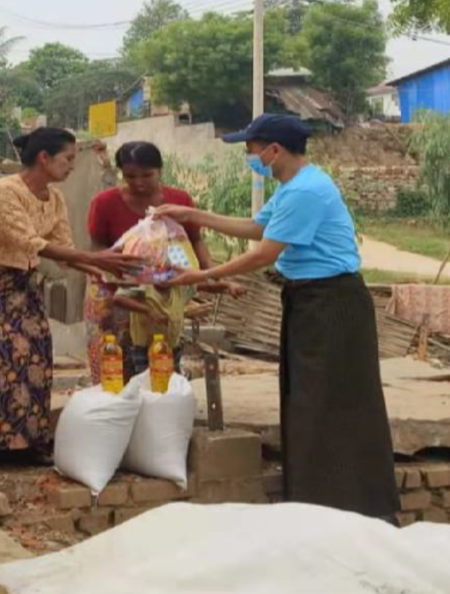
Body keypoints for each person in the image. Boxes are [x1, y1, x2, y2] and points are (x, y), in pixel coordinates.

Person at [156, 114, 400, 522]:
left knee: (333, 402)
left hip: (332, 304)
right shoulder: (292, 187)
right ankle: (314, 497)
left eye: (251, 150)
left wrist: (201, 276)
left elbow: (263, 255)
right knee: (307, 400)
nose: (249, 158)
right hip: (309, 300)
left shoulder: (307, 190)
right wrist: (193, 215)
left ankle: (353, 503)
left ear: (273, 150)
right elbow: (256, 228)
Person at [0, 128, 142, 475]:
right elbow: (30, 242)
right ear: (44, 158)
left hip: (19, 283)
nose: (72, 166)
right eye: (68, 158)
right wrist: (96, 259)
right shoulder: (3, 191)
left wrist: (103, 271)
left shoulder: (54, 199)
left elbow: (65, 250)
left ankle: (31, 442)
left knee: (38, 353)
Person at [85, 141, 240, 381]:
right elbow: (98, 245)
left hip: (161, 286)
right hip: (116, 285)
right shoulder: (104, 203)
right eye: (130, 176)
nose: (139, 182)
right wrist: (119, 273)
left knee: (159, 357)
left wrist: (212, 272)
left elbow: (195, 240)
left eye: (147, 175)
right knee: (113, 361)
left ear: (160, 170)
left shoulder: (179, 200)